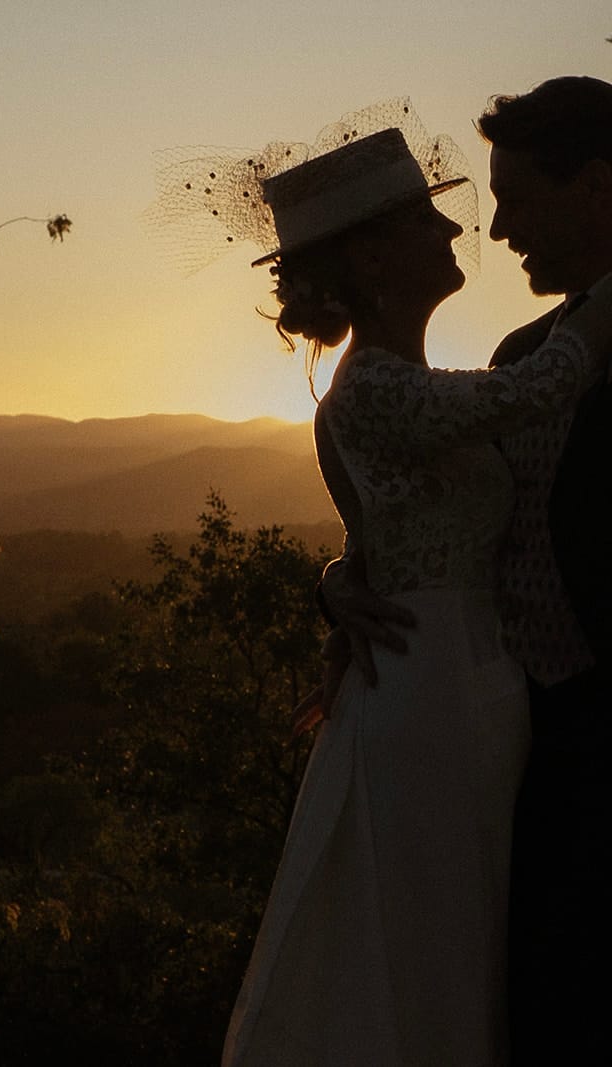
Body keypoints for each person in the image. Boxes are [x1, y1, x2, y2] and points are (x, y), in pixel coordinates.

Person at [148, 101, 612, 1066]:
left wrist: (343, 576)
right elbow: (457, 478)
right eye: (431, 218)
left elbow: (423, 522)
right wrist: (346, 580)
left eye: (508, 199)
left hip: (496, 701)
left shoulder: (443, 380)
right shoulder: (507, 365)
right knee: (448, 942)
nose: (470, 231)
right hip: (456, 699)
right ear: (368, 260)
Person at [318, 77, 612, 1064]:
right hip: (518, 732)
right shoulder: (525, 352)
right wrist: (345, 572)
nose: (493, 228)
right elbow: (438, 512)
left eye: (518, 199)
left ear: (599, 190)